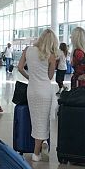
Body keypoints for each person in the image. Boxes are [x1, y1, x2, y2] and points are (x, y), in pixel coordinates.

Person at [18, 29, 58, 162]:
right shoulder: (51, 56)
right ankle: (36, 153)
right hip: (44, 90)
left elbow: (19, 67)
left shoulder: (28, 50)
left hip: (32, 90)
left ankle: (43, 144)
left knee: (35, 119)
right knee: (43, 121)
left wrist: (30, 77)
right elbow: (50, 77)